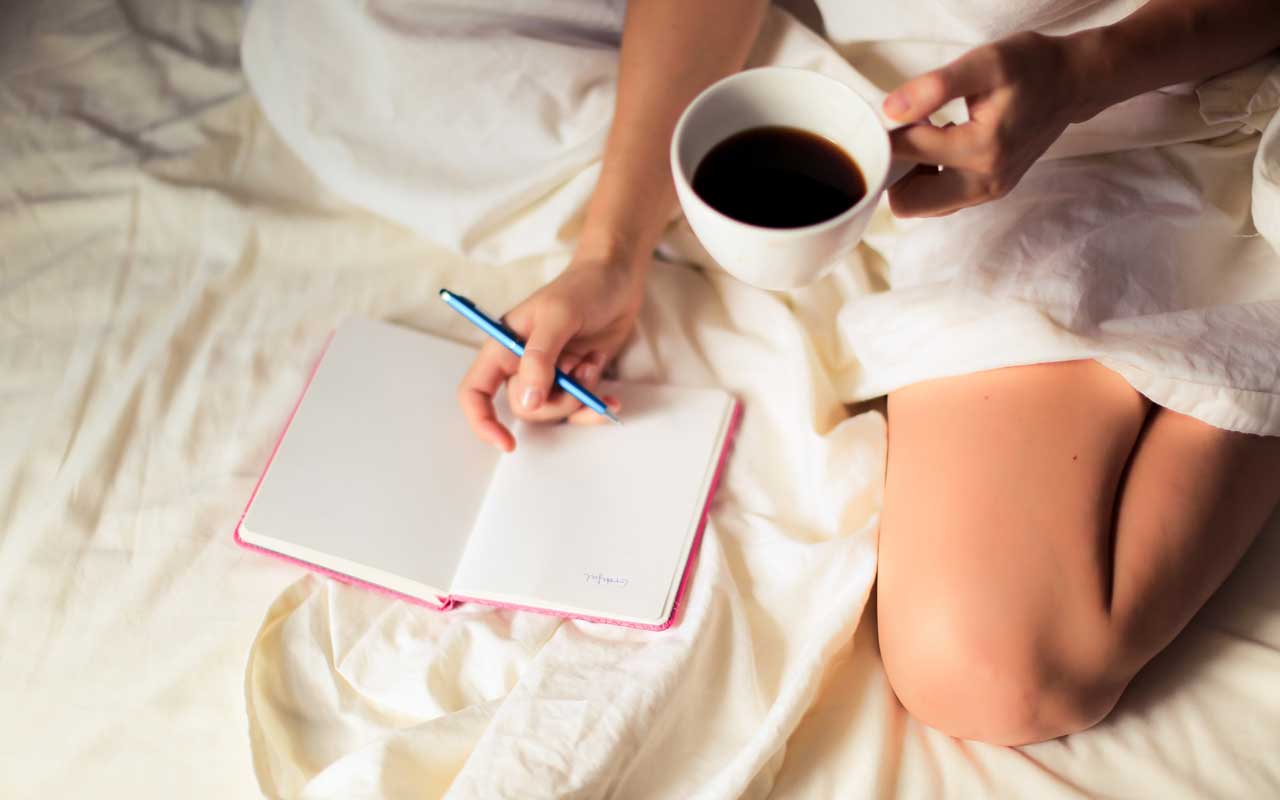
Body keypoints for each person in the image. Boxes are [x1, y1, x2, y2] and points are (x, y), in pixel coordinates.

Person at [242, 0, 1280, 745]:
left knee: (989, 672)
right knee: (322, 36)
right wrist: (608, 254)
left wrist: (1085, 72)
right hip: (875, 84)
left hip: (1126, 95)